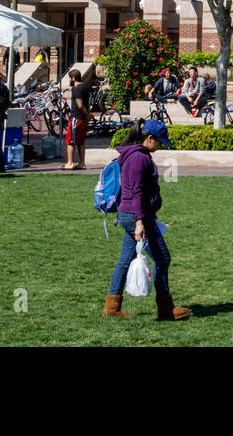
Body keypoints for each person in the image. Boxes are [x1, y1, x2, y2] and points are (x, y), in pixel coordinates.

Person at [103, 118, 191, 320]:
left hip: (130, 214)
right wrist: (140, 221)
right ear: (150, 138)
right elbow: (137, 192)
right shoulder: (139, 159)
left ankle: (112, 308)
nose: (160, 146)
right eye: (159, 142)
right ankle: (165, 309)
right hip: (136, 216)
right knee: (162, 258)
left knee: (125, 260)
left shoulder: (134, 155)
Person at [66, 67, 91, 170]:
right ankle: (82, 163)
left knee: (70, 141)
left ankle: (70, 163)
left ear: (73, 78)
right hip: (83, 119)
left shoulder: (77, 89)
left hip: (77, 118)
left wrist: (87, 114)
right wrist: (87, 115)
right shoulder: (84, 87)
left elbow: (80, 105)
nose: (69, 80)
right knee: (81, 142)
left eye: (69, 78)